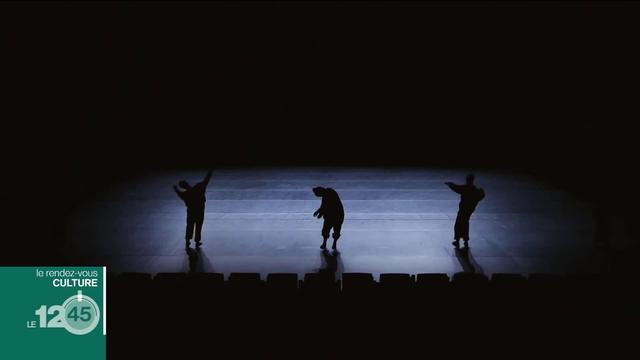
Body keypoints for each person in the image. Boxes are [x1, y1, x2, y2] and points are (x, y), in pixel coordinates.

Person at [174, 170, 213, 249]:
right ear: (187, 184)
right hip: (200, 212)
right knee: (198, 226)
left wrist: (176, 189)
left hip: (191, 213)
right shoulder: (199, 188)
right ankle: (197, 241)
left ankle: (188, 241)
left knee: (190, 226)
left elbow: (179, 193)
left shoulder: (185, 194)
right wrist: (210, 172)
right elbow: (206, 179)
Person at [445, 174, 485, 249]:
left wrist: (450, 184)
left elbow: (457, 188)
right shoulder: (475, 190)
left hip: (463, 209)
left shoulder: (465, 188)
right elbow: (480, 196)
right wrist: (482, 191)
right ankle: (465, 240)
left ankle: (457, 240)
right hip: (469, 210)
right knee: (465, 223)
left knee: (458, 223)